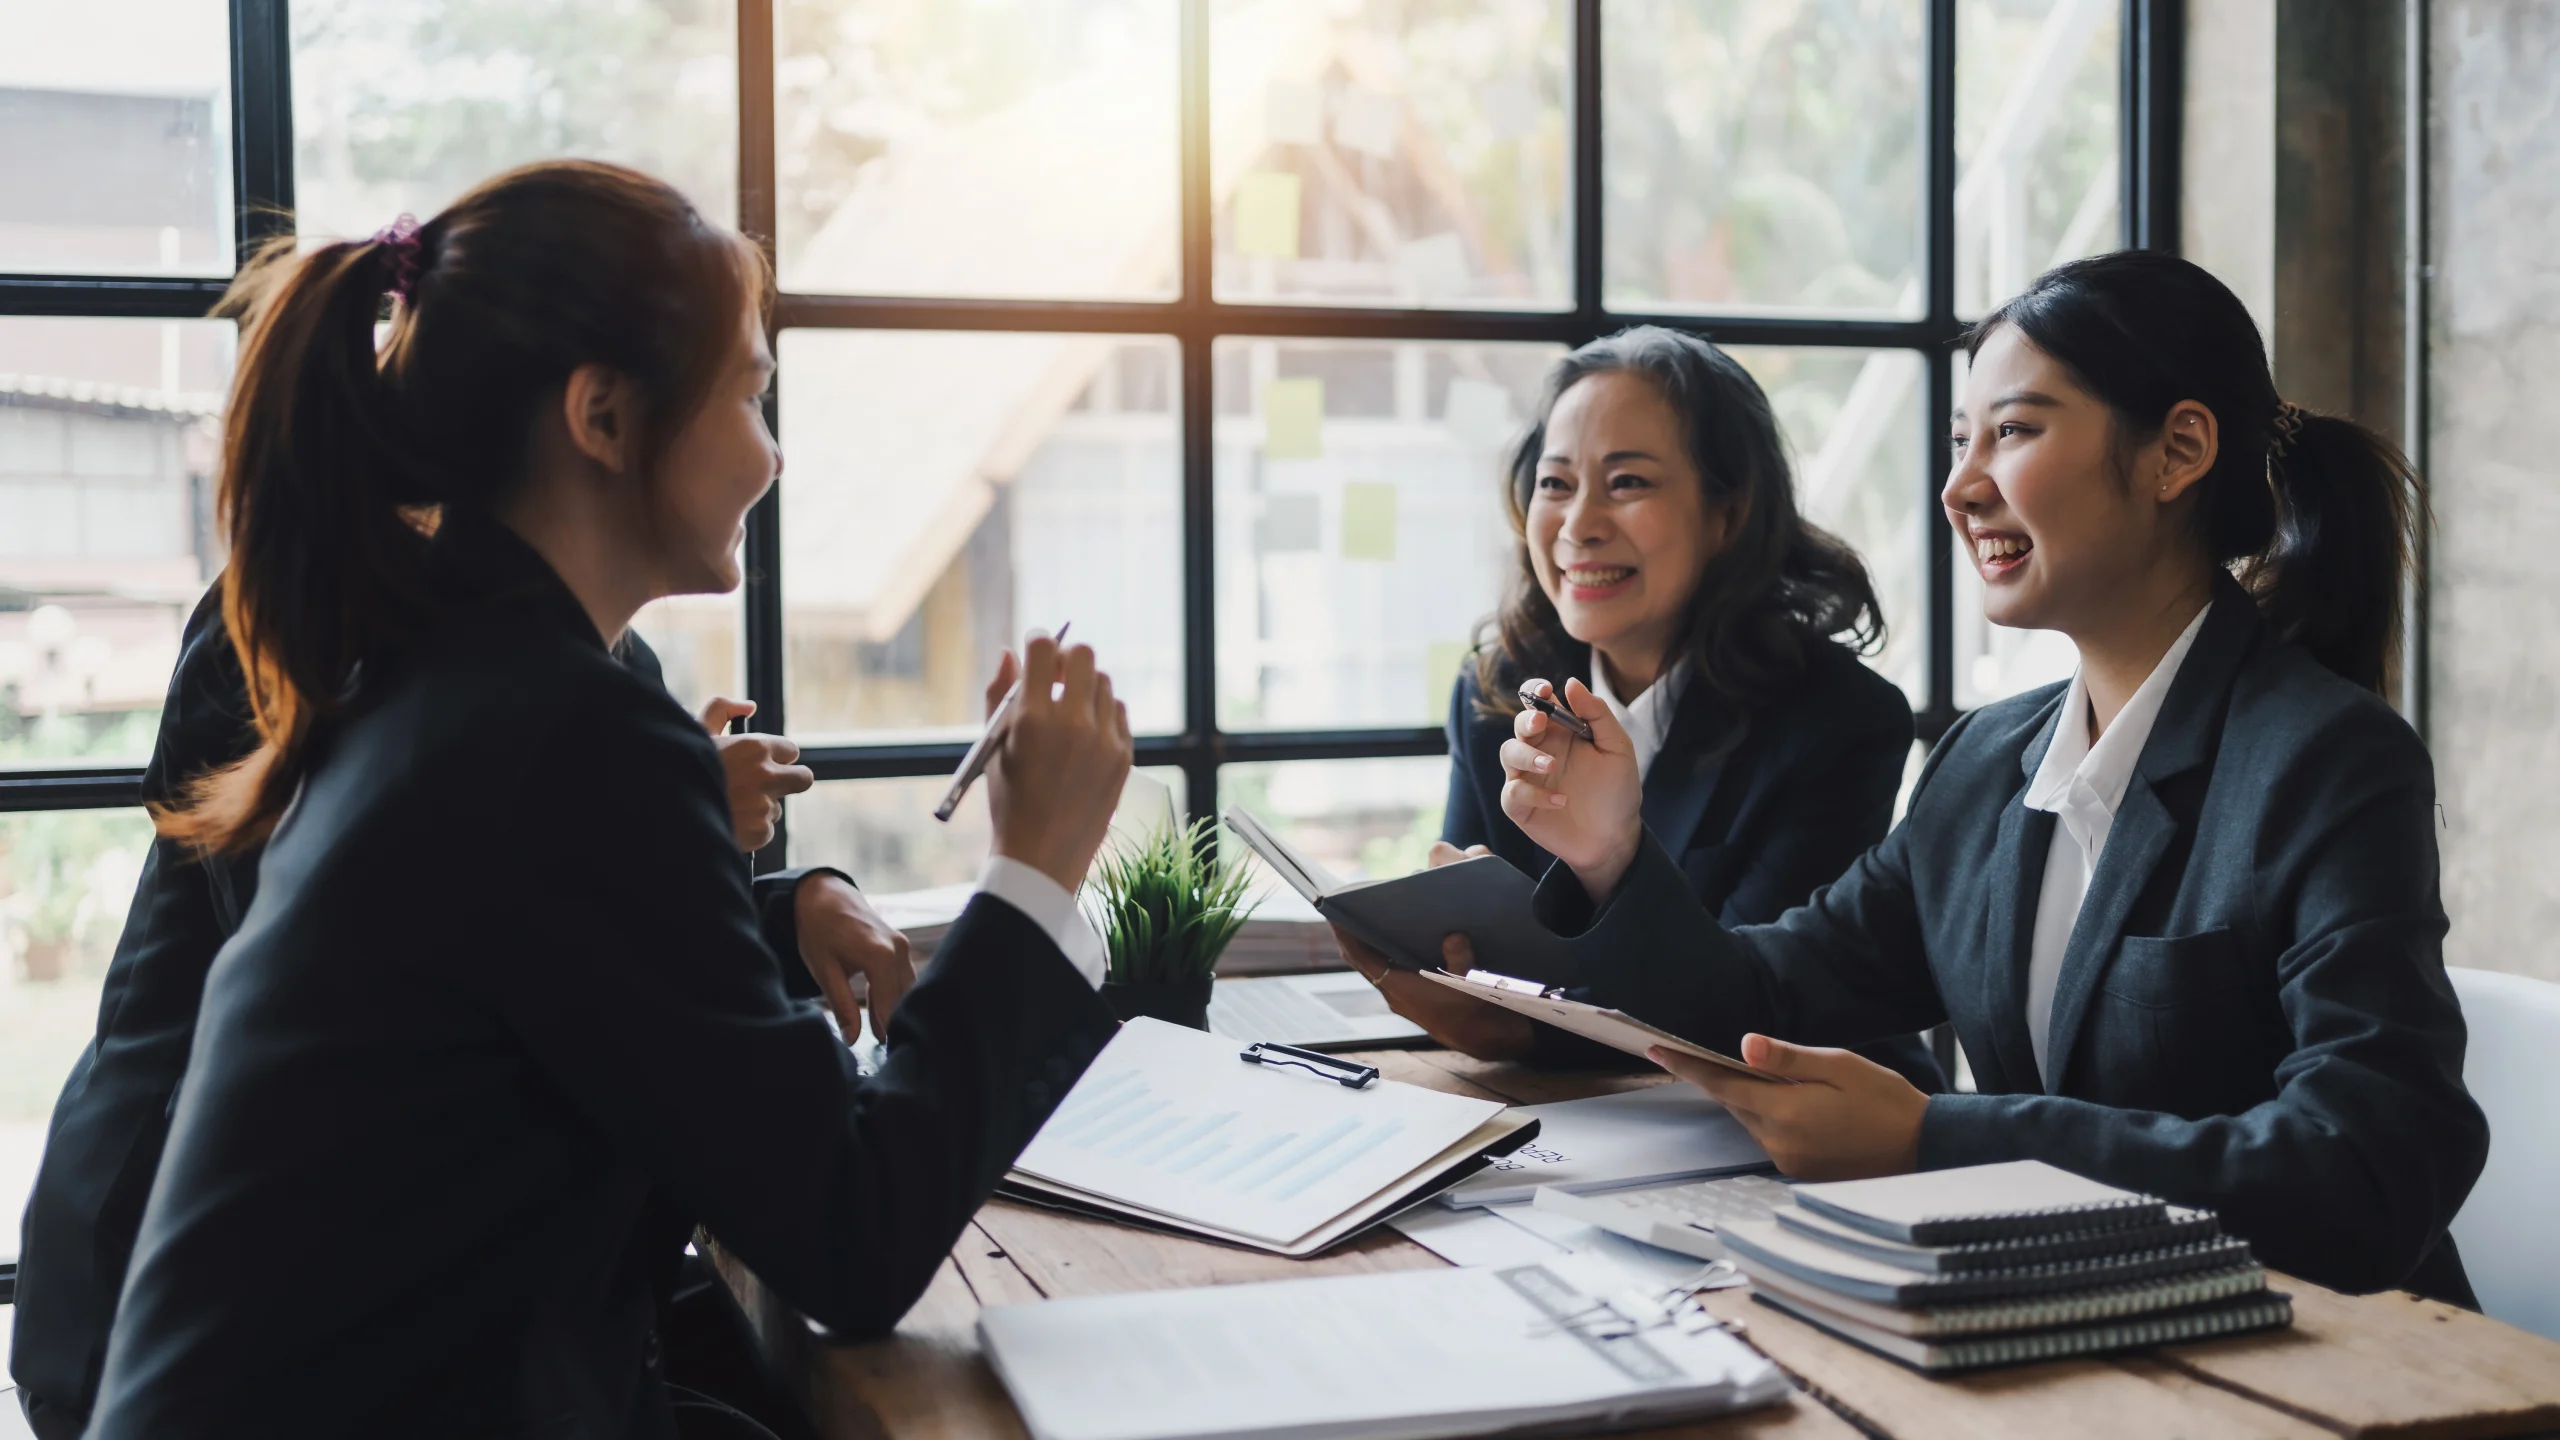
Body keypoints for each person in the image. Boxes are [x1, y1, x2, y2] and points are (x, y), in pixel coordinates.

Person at [75, 160, 1133, 1440]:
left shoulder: (455, 673)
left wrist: (770, 908)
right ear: (604, 418)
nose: (774, 448)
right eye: (749, 392)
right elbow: (852, 1245)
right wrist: (1034, 873)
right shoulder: (564, 732)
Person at [1483, 251, 2486, 1304]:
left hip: (2333, 1370)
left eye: (2011, 432)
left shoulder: (2328, 761)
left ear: (2177, 451)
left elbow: (2368, 1169)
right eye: (1962, 442)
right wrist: (1609, 852)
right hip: (2058, 1332)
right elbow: (1765, 998)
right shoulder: (1984, 765)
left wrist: (1935, 1136)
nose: (1961, 487)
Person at [8, 581, 867, 1440]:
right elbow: (369, 980)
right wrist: (669, 823)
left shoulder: (599, 651)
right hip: (188, 1311)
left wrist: (789, 914)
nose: (769, 458)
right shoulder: (289, 621)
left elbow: (585, 937)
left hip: (434, 1290)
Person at [1342, 327, 1939, 1090]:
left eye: (1627, 483)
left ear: (1726, 515)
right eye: (1555, 484)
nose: (1579, 524)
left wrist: (1517, 1031)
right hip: (1567, 1110)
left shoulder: (1837, 719)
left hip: (1799, 1126)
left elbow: (1745, 1010)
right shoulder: (1498, 689)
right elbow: (1466, 951)